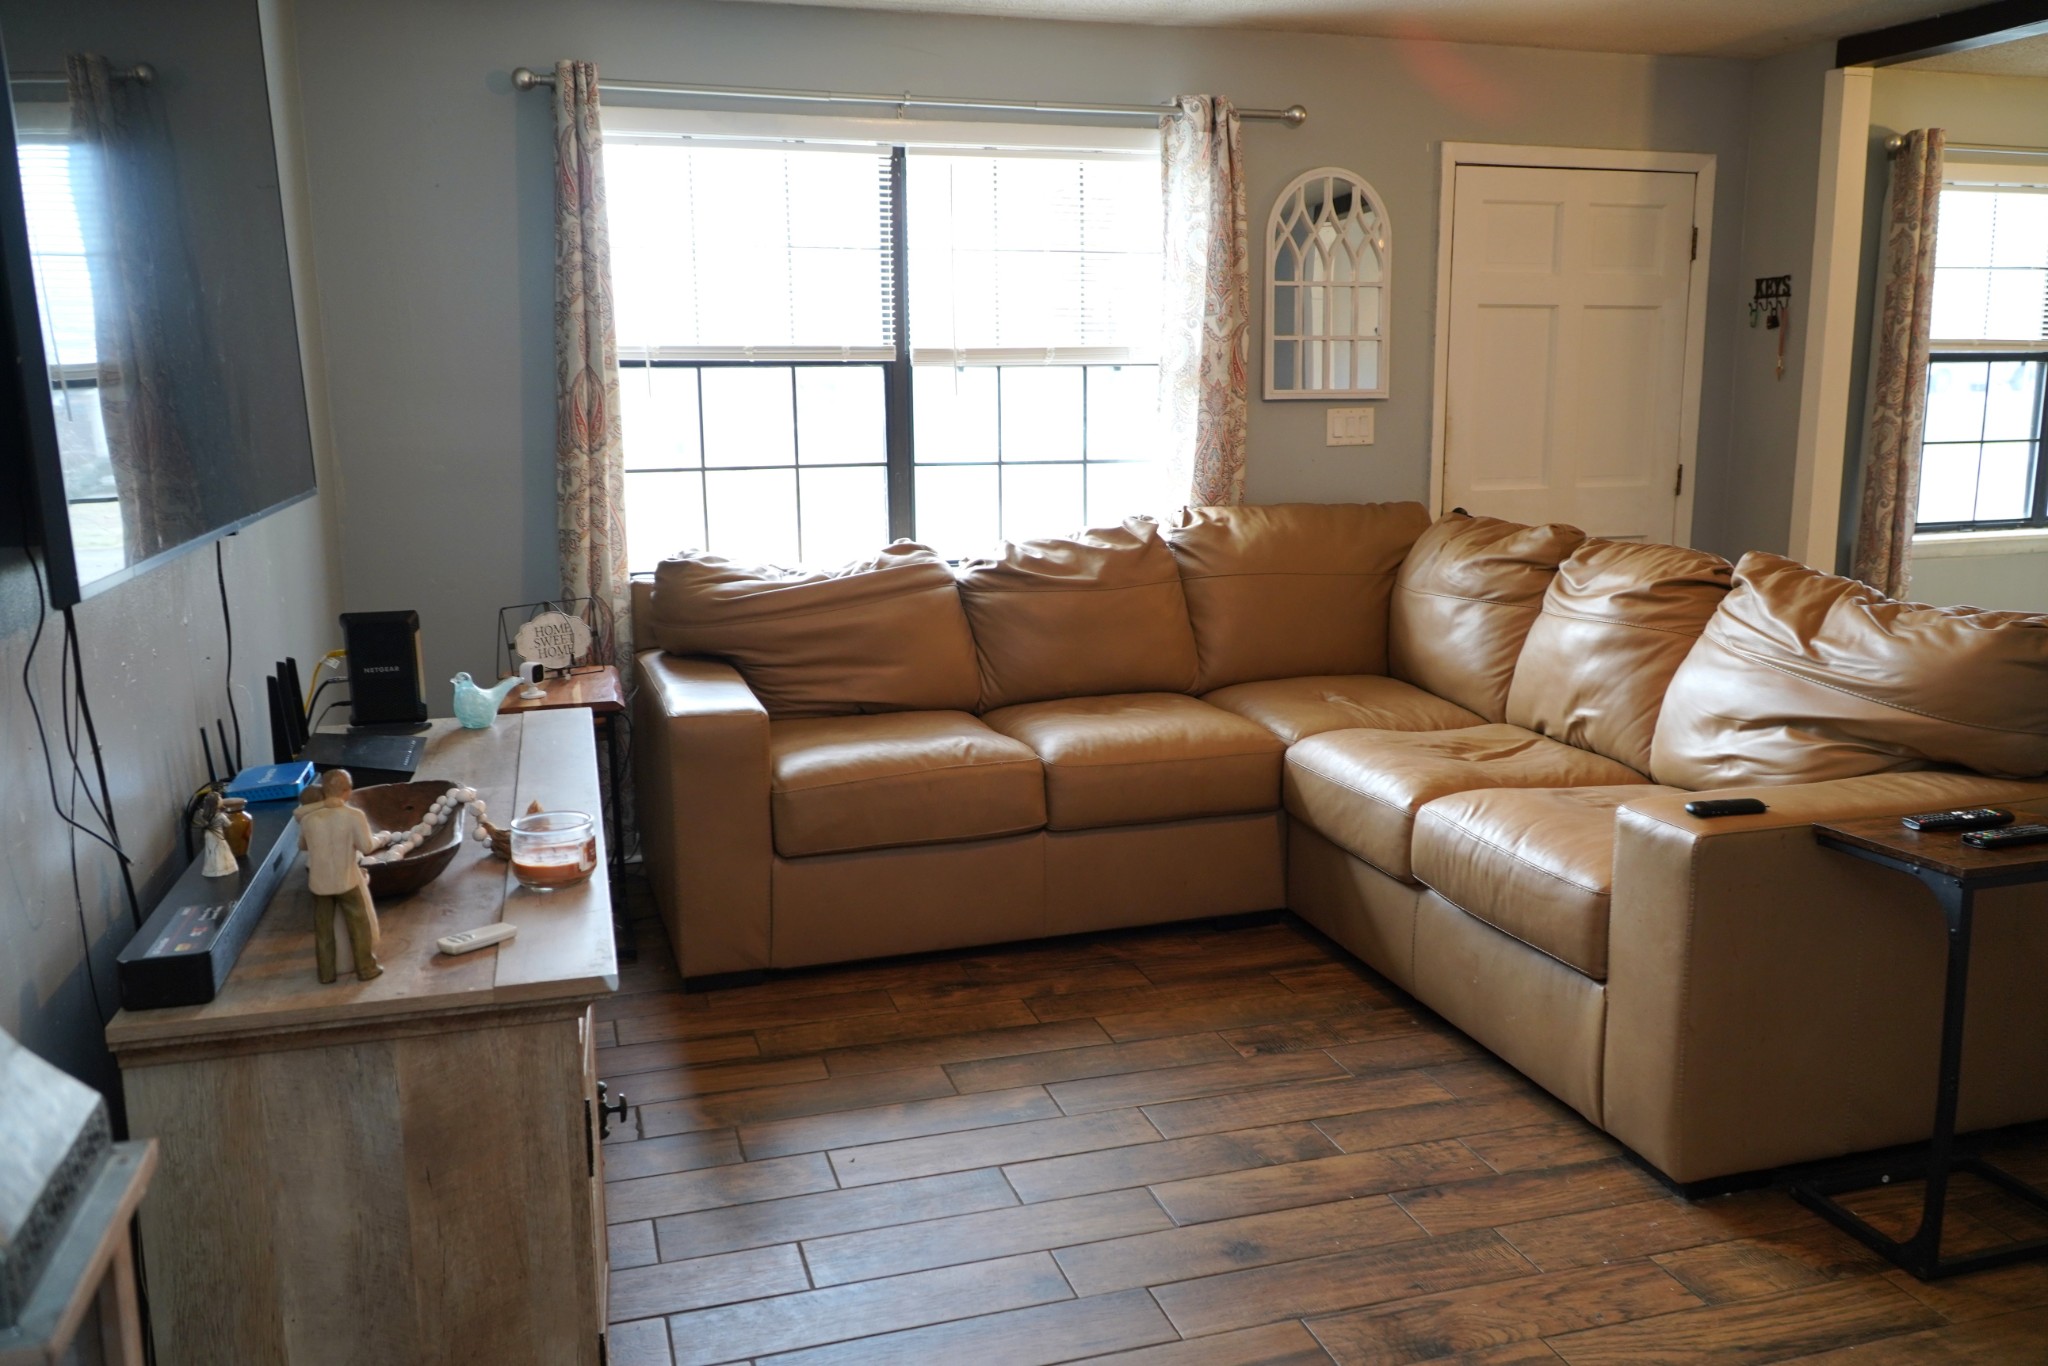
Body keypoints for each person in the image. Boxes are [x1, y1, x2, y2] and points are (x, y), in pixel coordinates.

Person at [297, 769, 383, 982]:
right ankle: (366, 968)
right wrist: (380, 839)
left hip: (319, 883)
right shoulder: (354, 816)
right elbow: (366, 846)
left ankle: (326, 973)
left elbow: (303, 846)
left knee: (324, 930)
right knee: (359, 925)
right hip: (346, 881)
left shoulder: (309, 819)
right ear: (347, 791)